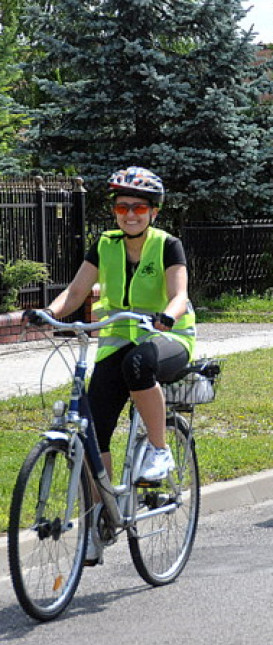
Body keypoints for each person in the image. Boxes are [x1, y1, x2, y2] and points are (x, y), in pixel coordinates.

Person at [23, 167, 196, 563]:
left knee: (138, 366)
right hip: (117, 337)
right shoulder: (104, 244)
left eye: (139, 207)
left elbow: (180, 294)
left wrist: (167, 316)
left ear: (153, 212)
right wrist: (48, 312)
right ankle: (100, 517)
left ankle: (159, 449)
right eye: (122, 207)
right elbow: (76, 291)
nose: (130, 214)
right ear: (114, 211)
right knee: (91, 427)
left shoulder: (168, 245)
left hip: (168, 337)